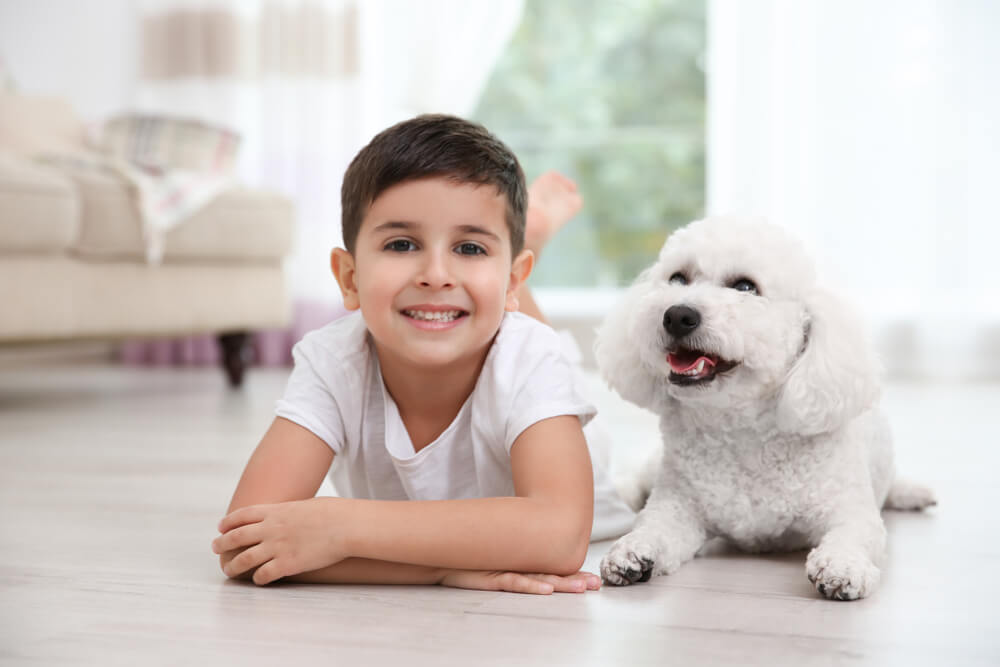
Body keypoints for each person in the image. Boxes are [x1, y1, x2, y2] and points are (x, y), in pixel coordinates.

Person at [211, 114, 635, 594]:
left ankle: (525, 249)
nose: (436, 274)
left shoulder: (532, 361)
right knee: (478, 312)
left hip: (547, 402)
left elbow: (560, 538)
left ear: (513, 276)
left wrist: (340, 526)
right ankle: (510, 247)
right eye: (402, 244)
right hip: (496, 325)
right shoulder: (333, 360)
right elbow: (244, 548)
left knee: (537, 345)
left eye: (470, 248)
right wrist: (439, 571)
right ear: (350, 278)